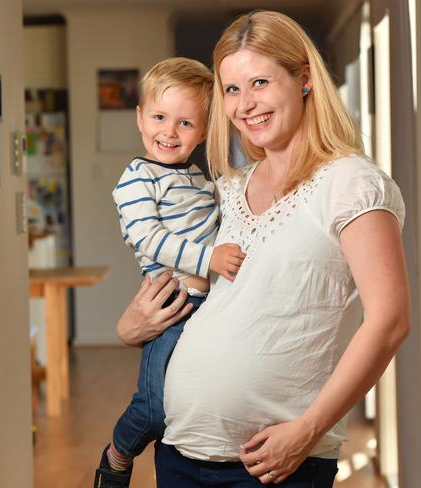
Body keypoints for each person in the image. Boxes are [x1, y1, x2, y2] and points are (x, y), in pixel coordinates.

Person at [116, 10, 410, 488]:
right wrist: (130, 327)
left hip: (274, 467)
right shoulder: (229, 188)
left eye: (259, 82)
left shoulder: (349, 183)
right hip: (179, 452)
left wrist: (307, 431)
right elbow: (197, 289)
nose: (245, 104)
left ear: (305, 79)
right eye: (232, 89)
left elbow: (391, 320)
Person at [95, 57, 246, 488]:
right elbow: (147, 237)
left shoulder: (199, 179)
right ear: (140, 118)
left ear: (203, 132)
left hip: (207, 305)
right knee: (155, 407)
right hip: (172, 306)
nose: (169, 131)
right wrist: (209, 262)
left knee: (187, 400)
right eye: (160, 117)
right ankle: (118, 454)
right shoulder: (137, 180)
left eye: (185, 123)